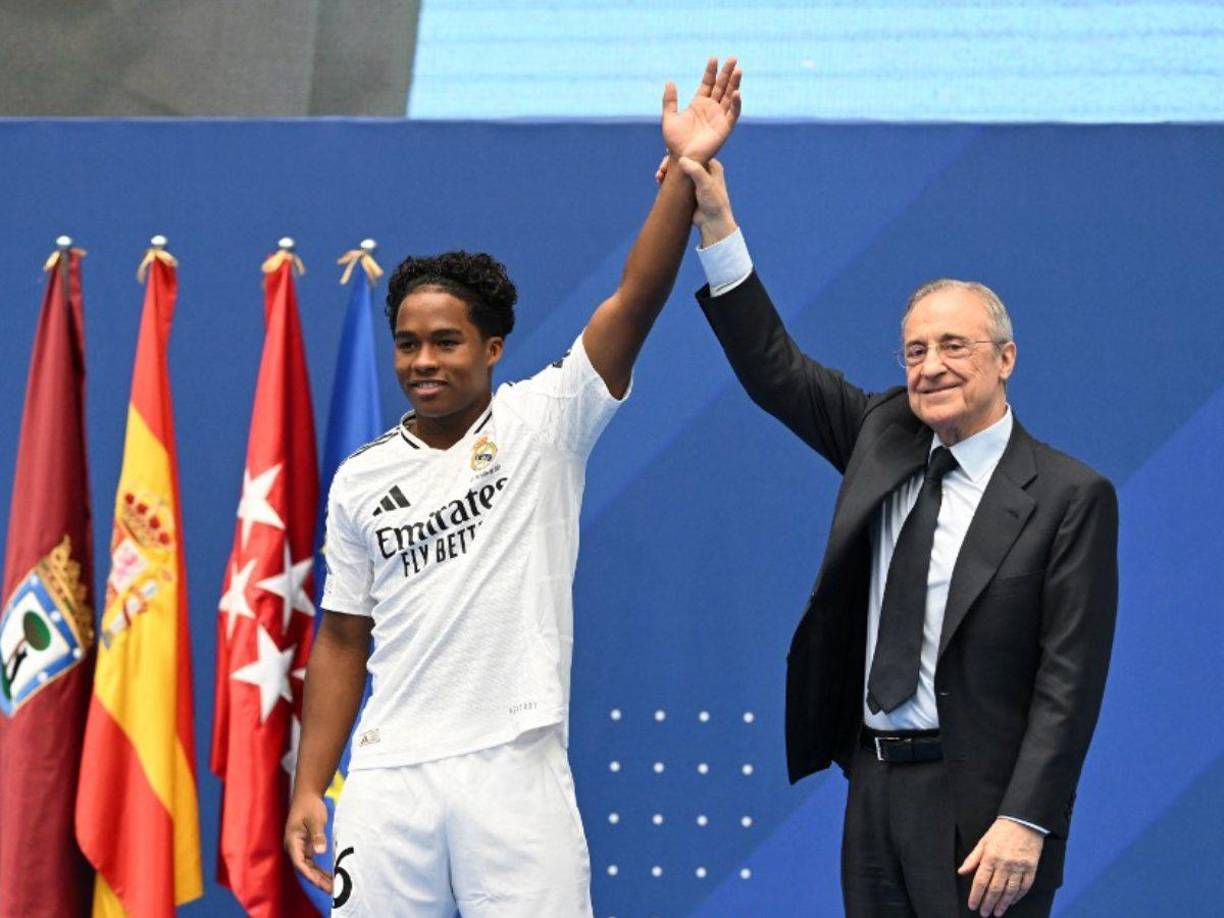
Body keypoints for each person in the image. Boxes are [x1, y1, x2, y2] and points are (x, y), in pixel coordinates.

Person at [283, 58, 742, 916]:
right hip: (387, 779)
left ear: (492, 348)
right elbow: (342, 638)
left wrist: (686, 172)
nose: (423, 361)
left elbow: (633, 301)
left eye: (446, 341)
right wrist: (312, 782)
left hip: (514, 765)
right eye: (408, 344)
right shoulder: (360, 480)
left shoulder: (546, 420)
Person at [672, 155, 1118, 917]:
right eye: (915, 351)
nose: (931, 367)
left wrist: (1027, 818)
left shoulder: (1068, 495)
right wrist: (715, 220)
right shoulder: (882, 434)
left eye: (954, 346)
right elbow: (775, 368)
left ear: (1005, 359)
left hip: (985, 809)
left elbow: (1068, 681)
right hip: (875, 787)